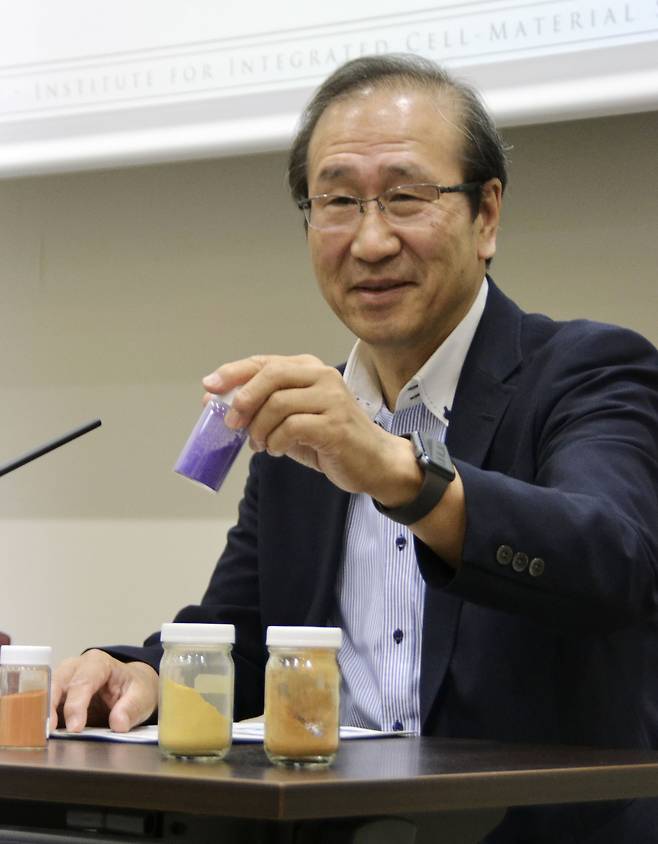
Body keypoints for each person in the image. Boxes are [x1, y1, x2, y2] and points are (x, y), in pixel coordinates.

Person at [52, 54, 658, 842]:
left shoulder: (589, 370)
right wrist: (141, 671)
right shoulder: (307, 427)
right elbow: (245, 636)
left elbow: (610, 558)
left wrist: (396, 470)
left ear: (487, 217)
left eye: (406, 197)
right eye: (337, 201)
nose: (370, 242)